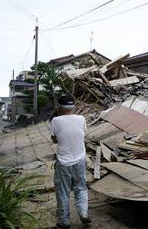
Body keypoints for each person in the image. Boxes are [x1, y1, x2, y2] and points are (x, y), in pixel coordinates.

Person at [51, 95, 91, 228]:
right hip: (80, 160)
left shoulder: (55, 120)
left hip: (64, 162)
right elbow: (82, 135)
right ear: (74, 106)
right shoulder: (81, 119)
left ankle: (64, 221)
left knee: (63, 191)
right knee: (81, 188)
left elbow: (54, 139)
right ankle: (84, 214)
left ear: (59, 107)